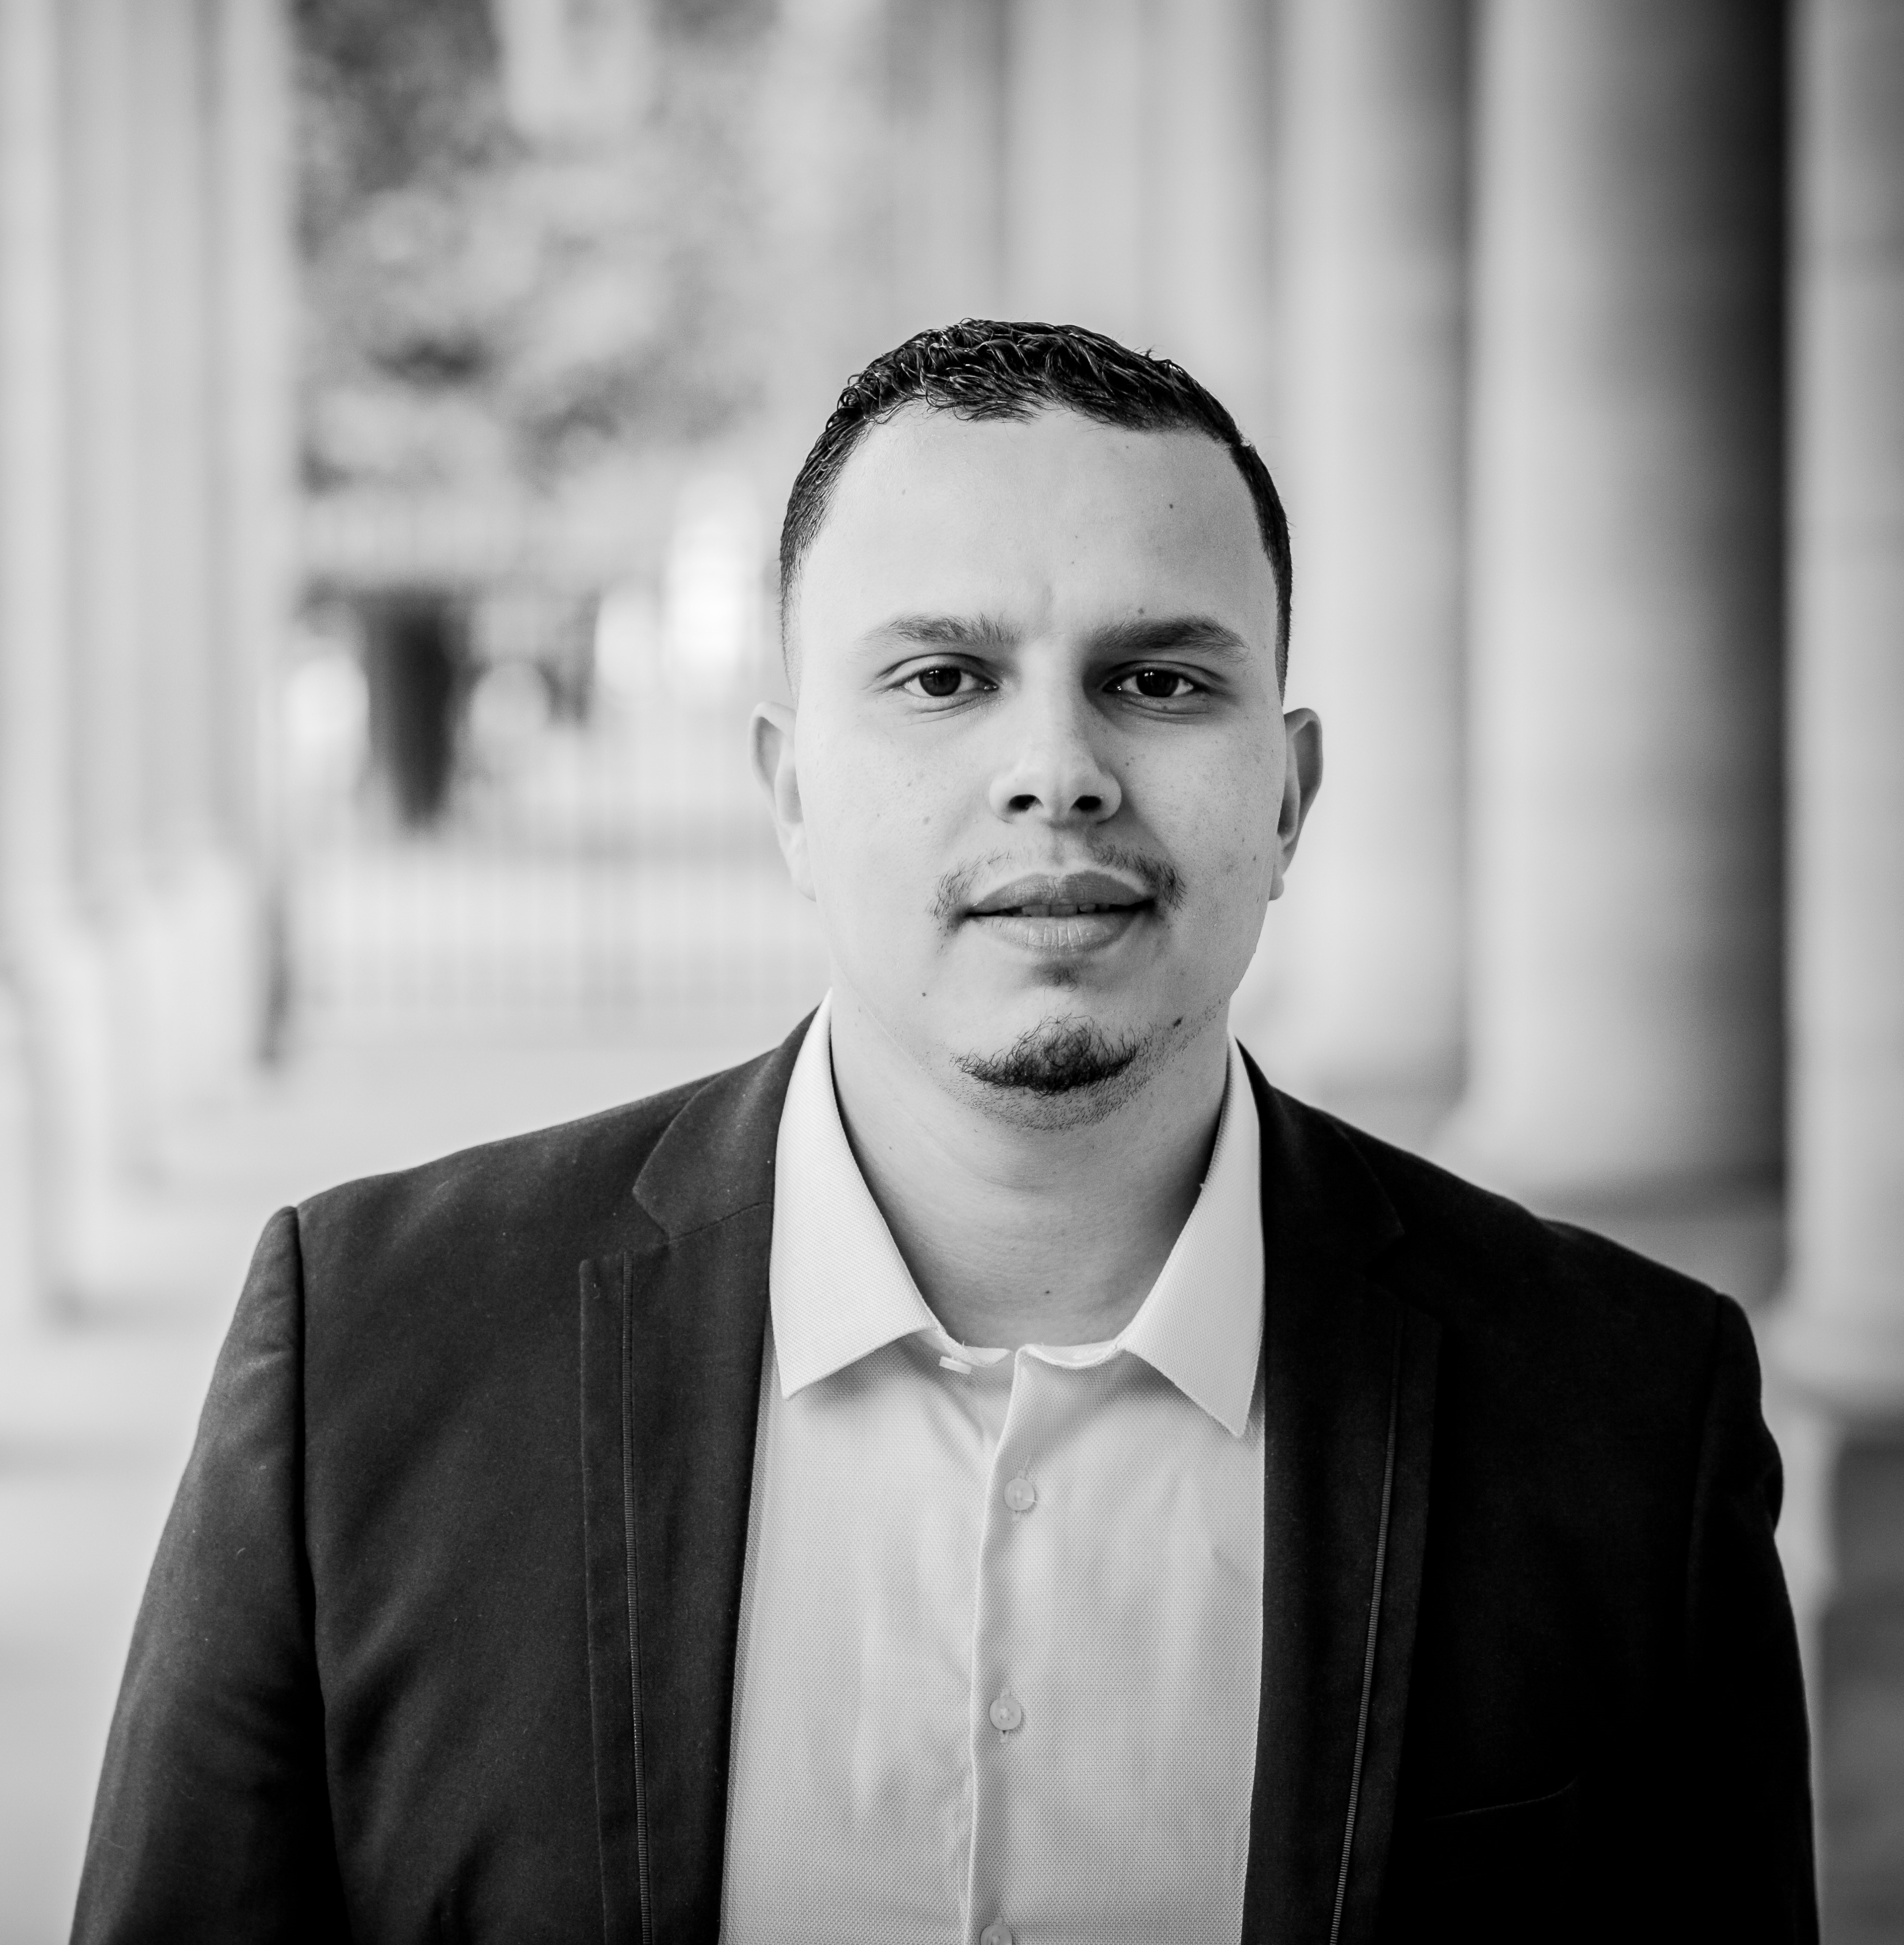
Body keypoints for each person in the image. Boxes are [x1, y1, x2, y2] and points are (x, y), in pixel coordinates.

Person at [72, 321, 1816, 1944]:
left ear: (1288, 797)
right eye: (941, 676)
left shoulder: (1627, 1416)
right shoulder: (370, 1352)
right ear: (791, 794)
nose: (1058, 769)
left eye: (1157, 680)